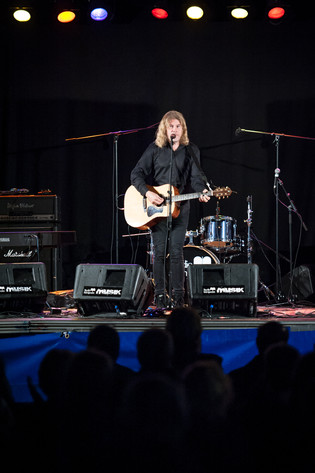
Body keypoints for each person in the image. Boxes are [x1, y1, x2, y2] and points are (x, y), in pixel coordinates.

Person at [130, 110, 210, 308]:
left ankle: (178, 299)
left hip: (180, 207)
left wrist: (202, 192)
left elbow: (196, 180)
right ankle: (159, 298)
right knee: (159, 252)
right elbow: (136, 174)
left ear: (183, 129)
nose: (174, 129)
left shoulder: (191, 150)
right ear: (164, 129)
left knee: (176, 252)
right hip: (156, 208)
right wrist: (147, 193)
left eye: (178, 126)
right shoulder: (155, 149)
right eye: (170, 126)